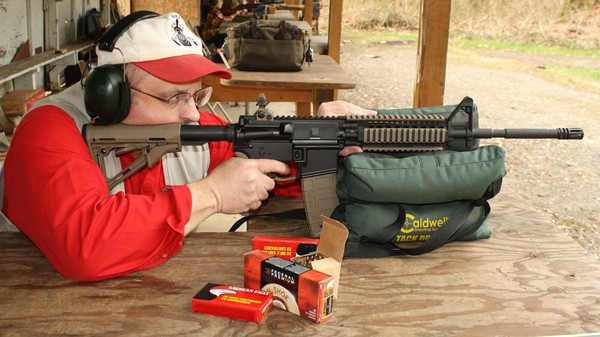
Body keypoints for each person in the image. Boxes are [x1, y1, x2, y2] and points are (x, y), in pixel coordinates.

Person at [0, 11, 374, 282]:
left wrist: (316, 141)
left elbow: (264, 163)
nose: (194, 113)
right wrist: (210, 194)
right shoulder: (47, 132)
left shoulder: (189, 127)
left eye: (197, 94)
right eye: (174, 96)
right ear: (112, 94)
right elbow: (86, 246)